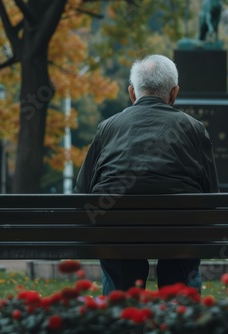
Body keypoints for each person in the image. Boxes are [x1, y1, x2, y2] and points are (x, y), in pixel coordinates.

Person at [74, 54, 220, 295]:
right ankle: (180, 314)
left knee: (118, 248)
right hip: (179, 234)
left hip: (117, 232)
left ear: (132, 93)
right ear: (174, 93)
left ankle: (122, 313)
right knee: (184, 246)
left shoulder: (107, 128)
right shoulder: (194, 128)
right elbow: (212, 196)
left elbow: (82, 192)